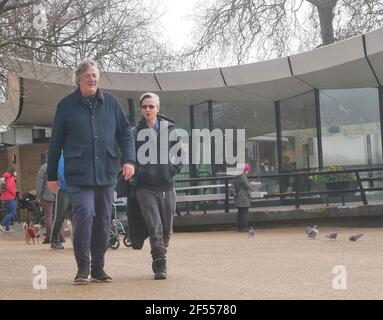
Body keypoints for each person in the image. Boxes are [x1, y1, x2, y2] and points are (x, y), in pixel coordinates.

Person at [46, 58, 135, 283]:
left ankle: (98, 267)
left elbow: (125, 133)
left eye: (95, 75)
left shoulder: (111, 103)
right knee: (85, 214)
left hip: (106, 171)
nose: (92, 79)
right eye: (88, 76)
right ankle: (83, 267)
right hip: (79, 173)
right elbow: (56, 141)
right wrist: (52, 175)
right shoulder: (66, 105)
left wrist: (129, 160)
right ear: (79, 80)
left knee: (103, 219)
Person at [134, 92, 182, 280]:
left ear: (158, 109)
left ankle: (162, 248)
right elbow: (129, 156)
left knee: (166, 230)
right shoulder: (135, 132)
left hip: (166, 186)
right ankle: (159, 263)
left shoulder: (170, 131)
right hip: (145, 188)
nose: (147, 109)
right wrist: (136, 176)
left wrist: (170, 171)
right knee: (155, 227)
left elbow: (179, 157)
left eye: (151, 106)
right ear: (141, 109)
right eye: (144, 106)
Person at [50, 154, 71, 250]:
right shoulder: (62, 155)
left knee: (77, 217)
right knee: (60, 216)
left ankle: (79, 240)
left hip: (75, 189)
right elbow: (61, 171)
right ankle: (54, 240)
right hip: (65, 190)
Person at [36, 157, 56, 244]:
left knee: (48, 216)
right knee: (59, 216)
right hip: (59, 194)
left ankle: (49, 236)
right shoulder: (59, 166)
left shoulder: (44, 167)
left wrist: (38, 196)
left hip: (47, 195)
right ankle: (60, 236)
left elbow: (39, 183)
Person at [233, 163, 252, 232]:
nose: (248, 172)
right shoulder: (242, 176)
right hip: (243, 196)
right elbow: (247, 186)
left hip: (238, 196)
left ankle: (239, 227)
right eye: (248, 170)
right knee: (244, 212)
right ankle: (244, 227)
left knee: (240, 212)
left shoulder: (236, 176)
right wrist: (250, 184)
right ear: (245, 170)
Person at [0, 165, 17, 233]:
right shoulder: (11, 177)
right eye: (16, 171)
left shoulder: (5, 177)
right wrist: (14, 192)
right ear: (13, 171)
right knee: (13, 212)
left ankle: (7, 229)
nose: (16, 173)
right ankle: (2, 224)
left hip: (3, 197)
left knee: (8, 212)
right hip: (9, 197)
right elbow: (9, 187)